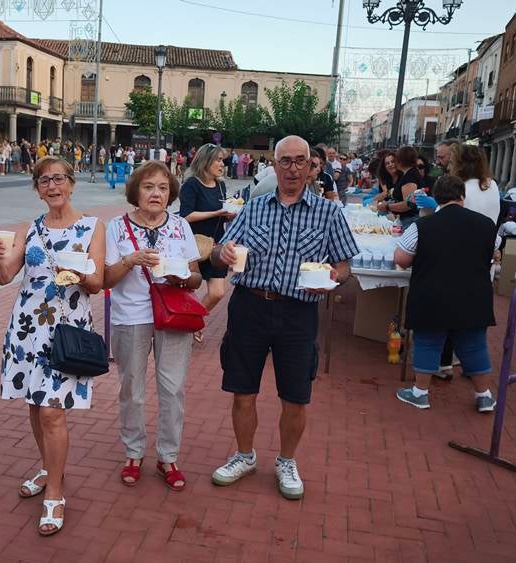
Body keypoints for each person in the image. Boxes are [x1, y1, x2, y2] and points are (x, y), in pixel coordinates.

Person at [209, 136, 359, 500]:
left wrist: (333, 278)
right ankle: (244, 455)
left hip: (298, 313)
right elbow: (218, 253)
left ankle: (287, 461)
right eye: (285, 161)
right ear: (274, 166)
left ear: (311, 167)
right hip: (250, 307)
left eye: (300, 161)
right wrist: (222, 253)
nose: (293, 169)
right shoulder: (254, 207)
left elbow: (344, 266)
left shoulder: (328, 213)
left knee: (295, 395)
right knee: (242, 390)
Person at [0, 156, 106, 536]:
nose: (52, 186)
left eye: (59, 178)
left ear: (71, 183)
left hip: (67, 330)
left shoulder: (93, 227)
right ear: (37, 189)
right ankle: (47, 467)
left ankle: (55, 492)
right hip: (28, 329)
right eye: (44, 181)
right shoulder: (31, 228)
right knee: (35, 406)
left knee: (52, 413)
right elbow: (5, 276)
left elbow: (96, 284)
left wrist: (77, 273)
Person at [104, 161, 203, 493]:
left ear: (170, 193)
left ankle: (168, 457)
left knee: (172, 389)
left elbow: (196, 277)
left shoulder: (180, 226)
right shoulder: (116, 227)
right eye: (148, 187)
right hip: (130, 316)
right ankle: (133, 453)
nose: (156, 193)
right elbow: (106, 279)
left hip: (172, 314)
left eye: (163, 187)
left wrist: (181, 278)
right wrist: (130, 260)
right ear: (136, 191)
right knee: (131, 389)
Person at [394, 175, 498, 413]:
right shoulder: (486, 225)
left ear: (436, 197)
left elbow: (401, 258)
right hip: (473, 296)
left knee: (428, 342)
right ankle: (484, 396)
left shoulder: (422, 226)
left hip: (432, 295)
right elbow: (493, 252)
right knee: (474, 346)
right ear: (462, 196)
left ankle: (420, 393)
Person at [179, 143, 235, 343]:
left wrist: (228, 215)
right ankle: (183, 327)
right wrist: (217, 213)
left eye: (223, 160)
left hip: (216, 245)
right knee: (188, 290)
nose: (222, 164)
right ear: (206, 161)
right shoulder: (192, 184)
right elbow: (186, 216)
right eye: (218, 160)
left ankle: (195, 321)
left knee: (217, 292)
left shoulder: (220, 185)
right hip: (193, 244)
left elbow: (221, 213)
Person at [377, 146, 420, 230]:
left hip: (409, 221)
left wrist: (388, 206)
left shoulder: (410, 177)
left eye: (395, 160)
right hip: (403, 220)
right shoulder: (408, 175)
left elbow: (408, 204)